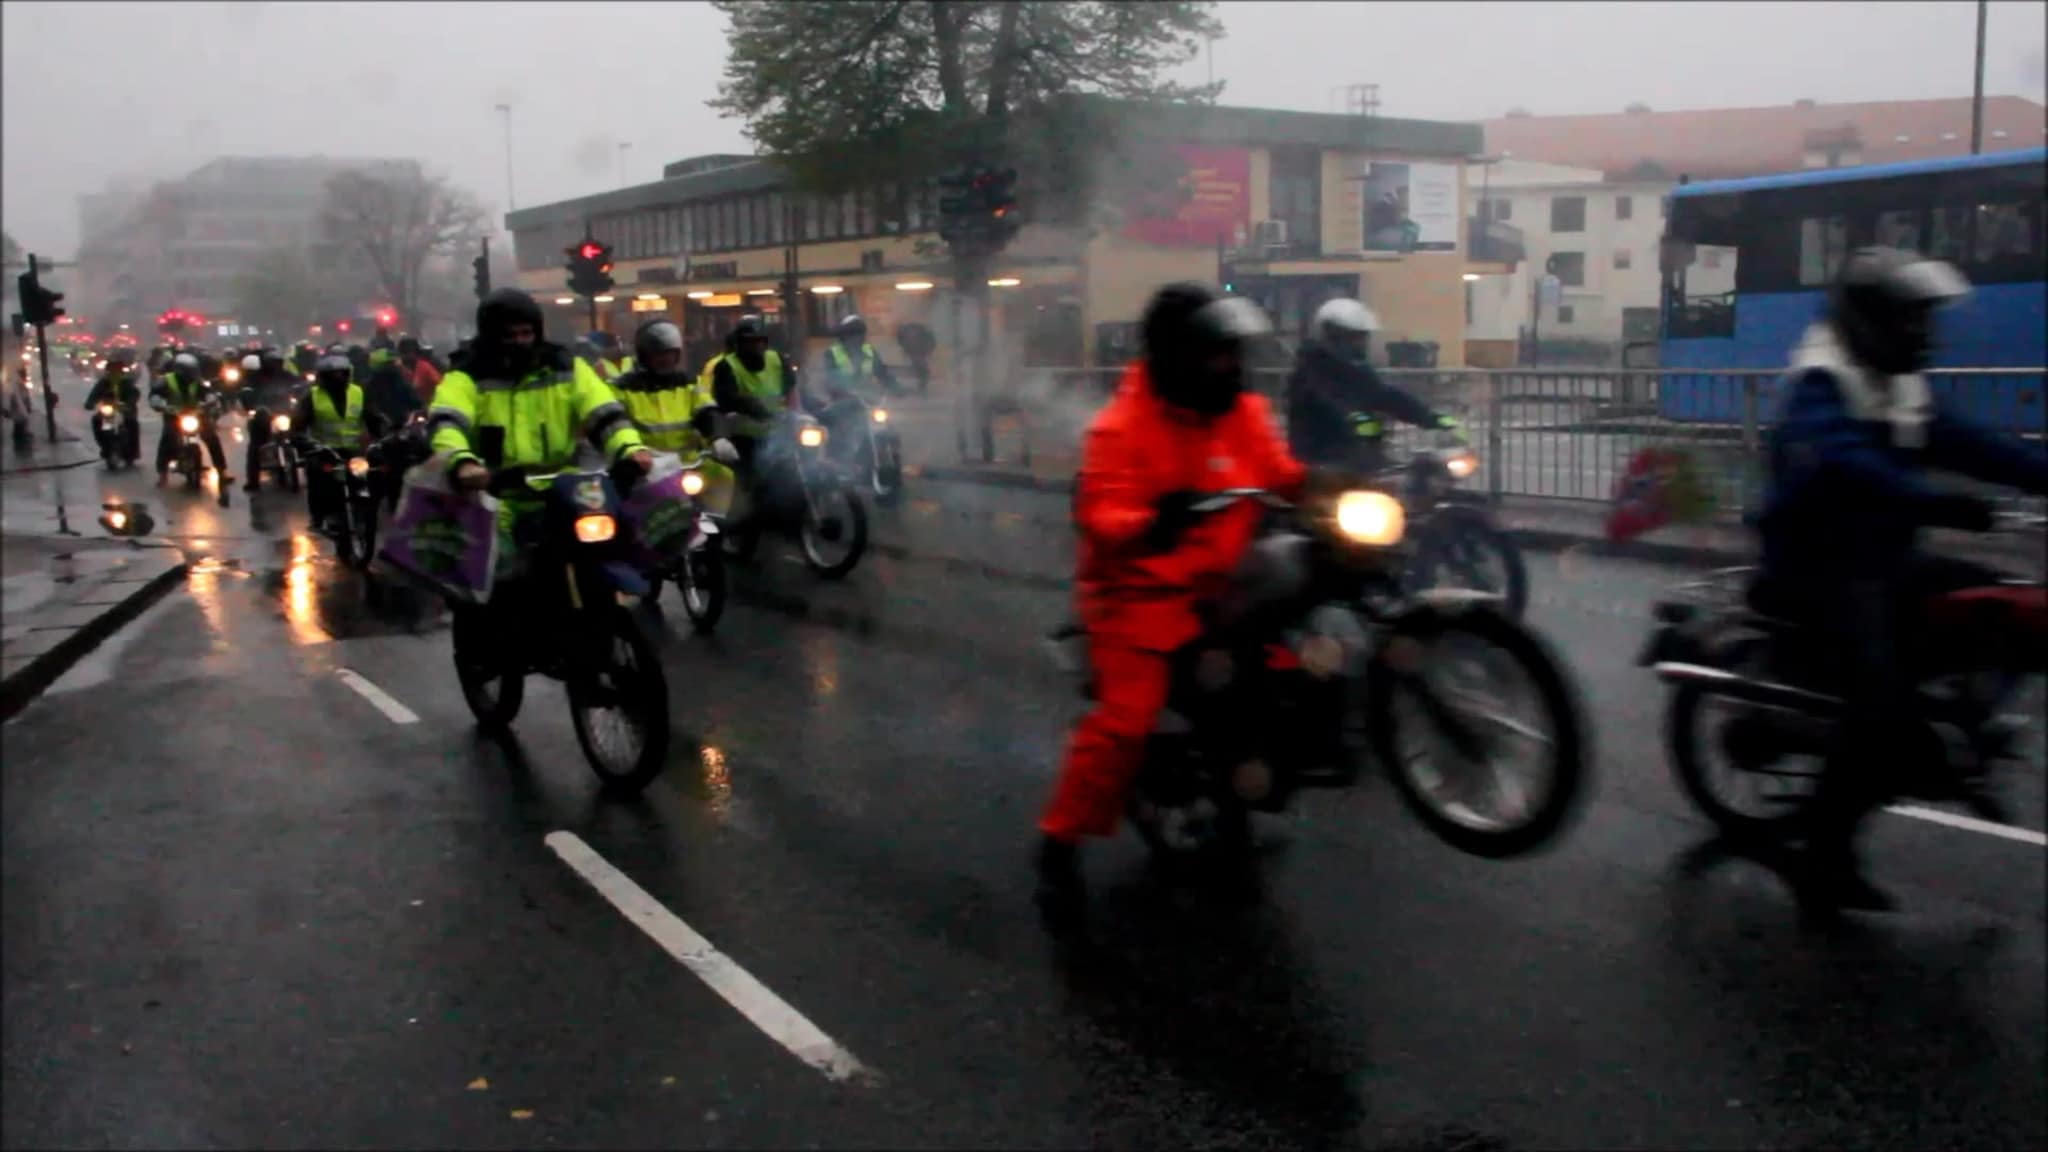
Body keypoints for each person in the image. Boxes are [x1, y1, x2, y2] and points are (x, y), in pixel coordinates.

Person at [1752, 246, 2048, 912]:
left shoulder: (1899, 385)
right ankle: (1823, 858)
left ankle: (1960, 728)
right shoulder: (1821, 381)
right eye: (1910, 321)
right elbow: (1843, 461)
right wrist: (1931, 501)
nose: (1923, 335)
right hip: (1817, 567)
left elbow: (1973, 444)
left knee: (1999, 606)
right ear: (1870, 321)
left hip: (1883, 559)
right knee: (1880, 709)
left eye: (1926, 321)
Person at [1033, 283, 1308, 922]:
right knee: (1126, 721)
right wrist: (1150, 521)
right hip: (1137, 595)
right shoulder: (1120, 429)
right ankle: (1058, 840)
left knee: (1306, 634)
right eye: (1216, 355)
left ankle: (1266, 765)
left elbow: (1282, 474)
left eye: (1233, 354)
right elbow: (1102, 511)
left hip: (1225, 582)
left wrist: (1329, 485)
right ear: (1175, 356)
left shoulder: (1244, 413)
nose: (1230, 368)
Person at [427, 289, 651, 582]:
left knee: (611, 546)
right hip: (498, 495)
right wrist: (463, 464)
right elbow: (447, 422)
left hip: (566, 490)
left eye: (526, 333)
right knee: (493, 575)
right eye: (510, 335)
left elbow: (605, 413)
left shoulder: (567, 367)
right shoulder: (466, 376)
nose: (520, 342)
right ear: (491, 336)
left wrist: (630, 449)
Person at [1286, 298, 1464, 472]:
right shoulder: (1311, 370)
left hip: (1360, 456)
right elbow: (1327, 398)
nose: (1360, 343)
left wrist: (1431, 418)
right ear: (1333, 336)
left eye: (1363, 337)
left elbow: (1385, 396)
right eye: (1353, 337)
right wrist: (1354, 418)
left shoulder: (1357, 370)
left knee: (1413, 479)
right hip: (1318, 459)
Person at [610, 318, 742, 512]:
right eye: (659, 354)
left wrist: (718, 437)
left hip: (687, 466)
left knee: (723, 475)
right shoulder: (622, 388)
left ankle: (718, 529)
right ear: (644, 356)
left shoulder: (687, 384)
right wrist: (631, 455)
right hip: (646, 469)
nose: (666, 359)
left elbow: (707, 411)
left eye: (671, 353)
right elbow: (615, 424)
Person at [698, 314, 800, 511]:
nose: (756, 347)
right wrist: (756, 410)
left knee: (799, 463)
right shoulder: (726, 366)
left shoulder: (776, 359)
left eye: (760, 341)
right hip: (743, 437)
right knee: (753, 486)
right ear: (738, 344)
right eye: (749, 343)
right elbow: (730, 399)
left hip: (777, 431)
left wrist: (797, 413)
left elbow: (791, 388)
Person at [298, 353, 370, 529]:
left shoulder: (358, 393)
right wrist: (309, 444)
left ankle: (366, 511)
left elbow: (373, 417)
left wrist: (385, 434)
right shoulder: (311, 396)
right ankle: (318, 516)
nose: (338, 378)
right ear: (322, 377)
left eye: (341, 374)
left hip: (354, 451)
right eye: (332, 375)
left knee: (370, 474)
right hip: (324, 451)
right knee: (317, 478)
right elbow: (298, 428)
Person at [149, 351, 232, 486]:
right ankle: (162, 473)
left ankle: (222, 471)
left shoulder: (197, 382)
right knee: (168, 438)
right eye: (189, 371)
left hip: (196, 414)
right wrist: (161, 404)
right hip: (174, 415)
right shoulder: (166, 380)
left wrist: (209, 401)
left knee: (211, 437)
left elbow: (209, 393)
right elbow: (155, 395)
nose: (191, 374)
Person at [242, 347, 305, 491]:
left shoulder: (286, 375)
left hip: (284, 411)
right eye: (272, 362)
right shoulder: (256, 378)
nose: (275, 365)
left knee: (301, 435)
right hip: (263, 414)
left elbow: (299, 385)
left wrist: (302, 394)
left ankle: (309, 468)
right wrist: (252, 406)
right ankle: (253, 480)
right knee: (255, 445)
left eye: (277, 362)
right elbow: (247, 391)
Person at [83, 348, 144, 465]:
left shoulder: (126, 382)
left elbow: (134, 394)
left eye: (117, 368)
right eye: (112, 368)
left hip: (124, 410)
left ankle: (132, 452)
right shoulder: (104, 382)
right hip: (108, 410)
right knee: (96, 420)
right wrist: (89, 403)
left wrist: (129, 404)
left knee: (132, 423)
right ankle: (104, 446)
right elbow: (95, 393)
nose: (114, 370)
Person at [820, 315, 901, 398]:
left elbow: (882, 373)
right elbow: (831, 377)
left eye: (859, 334)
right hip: (843, 399)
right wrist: (839, 390)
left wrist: (896, 388)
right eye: (852, 335)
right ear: (843, 337)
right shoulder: (832, 353)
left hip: (869, 397)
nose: (857, 339)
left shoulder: (869, 351)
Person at [361, 341, 422, 431]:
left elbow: (416, 404)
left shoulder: (402, 383)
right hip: (378, 431)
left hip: (403, 429)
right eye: (388, 364)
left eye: (393, 363)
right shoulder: (368, 387)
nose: (392, 366)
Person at [398, 334, 443, 407]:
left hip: (430, 405)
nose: (405, 356)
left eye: (408, 352)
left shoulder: (424, 367)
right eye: (403, 353)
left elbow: (440, 383)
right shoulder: (400, 368)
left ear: (416, 353)